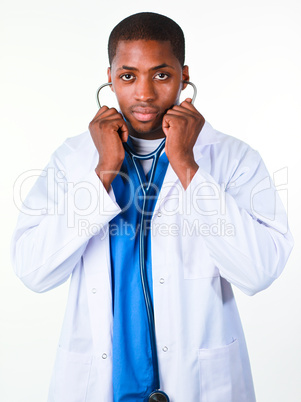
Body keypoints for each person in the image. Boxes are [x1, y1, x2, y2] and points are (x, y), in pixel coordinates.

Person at [11, 12, 293, 402]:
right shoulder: (73, 159)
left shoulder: (232, 158)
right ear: (109, 77)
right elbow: (33, 270)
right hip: (99, 383)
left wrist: (188, 167)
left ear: (184, 75)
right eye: (128, 76)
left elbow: (258, 271)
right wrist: (103, 172)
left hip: (201, 385)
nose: (143, 94)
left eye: (161, 75)